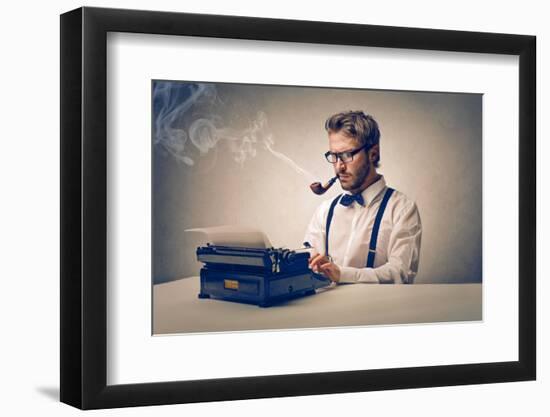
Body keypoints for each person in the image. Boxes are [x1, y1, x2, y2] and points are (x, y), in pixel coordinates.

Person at [304, 110, 422, 284]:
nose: (339, 167)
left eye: (347, 155)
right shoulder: (324, 211)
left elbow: (400, 273)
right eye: (334, 156)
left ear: (373, 153)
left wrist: (343, 274)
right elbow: (309, 264)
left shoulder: (402, 209)